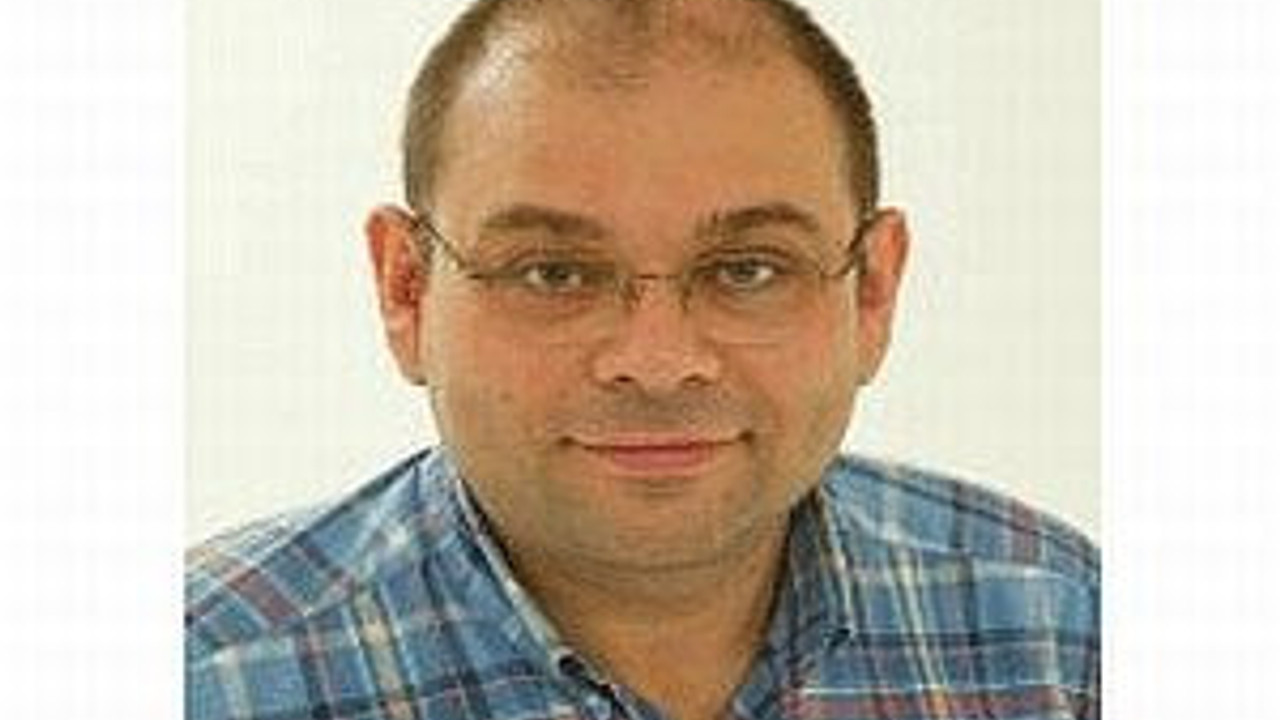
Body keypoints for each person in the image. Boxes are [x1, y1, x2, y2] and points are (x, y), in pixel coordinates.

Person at [185, 0, 1099, 718]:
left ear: (873, 291)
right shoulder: (198, 676)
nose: (658, 364)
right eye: (553, 273)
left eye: (747, 269)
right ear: (406, 291)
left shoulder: (1067, 632)